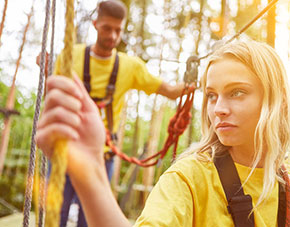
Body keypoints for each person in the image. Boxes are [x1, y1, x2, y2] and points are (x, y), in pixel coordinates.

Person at [37, 40, 290, 226]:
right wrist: (88, 168)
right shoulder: (191, 178)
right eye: (211, 95)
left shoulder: (288, 173)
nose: (217, 108)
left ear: (276, 101)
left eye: (236, 93)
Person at [39, 1, 189, 226]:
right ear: (95, 24)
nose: (113, 35)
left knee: (89, 220)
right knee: (55, 216)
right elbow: (53, 91)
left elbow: (169, 91)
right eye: (107, 28)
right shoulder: (71, 56)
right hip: (65, 150)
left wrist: (191, 83)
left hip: (103, 156)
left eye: (118, 30)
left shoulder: (131, 67)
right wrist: (44, 64)